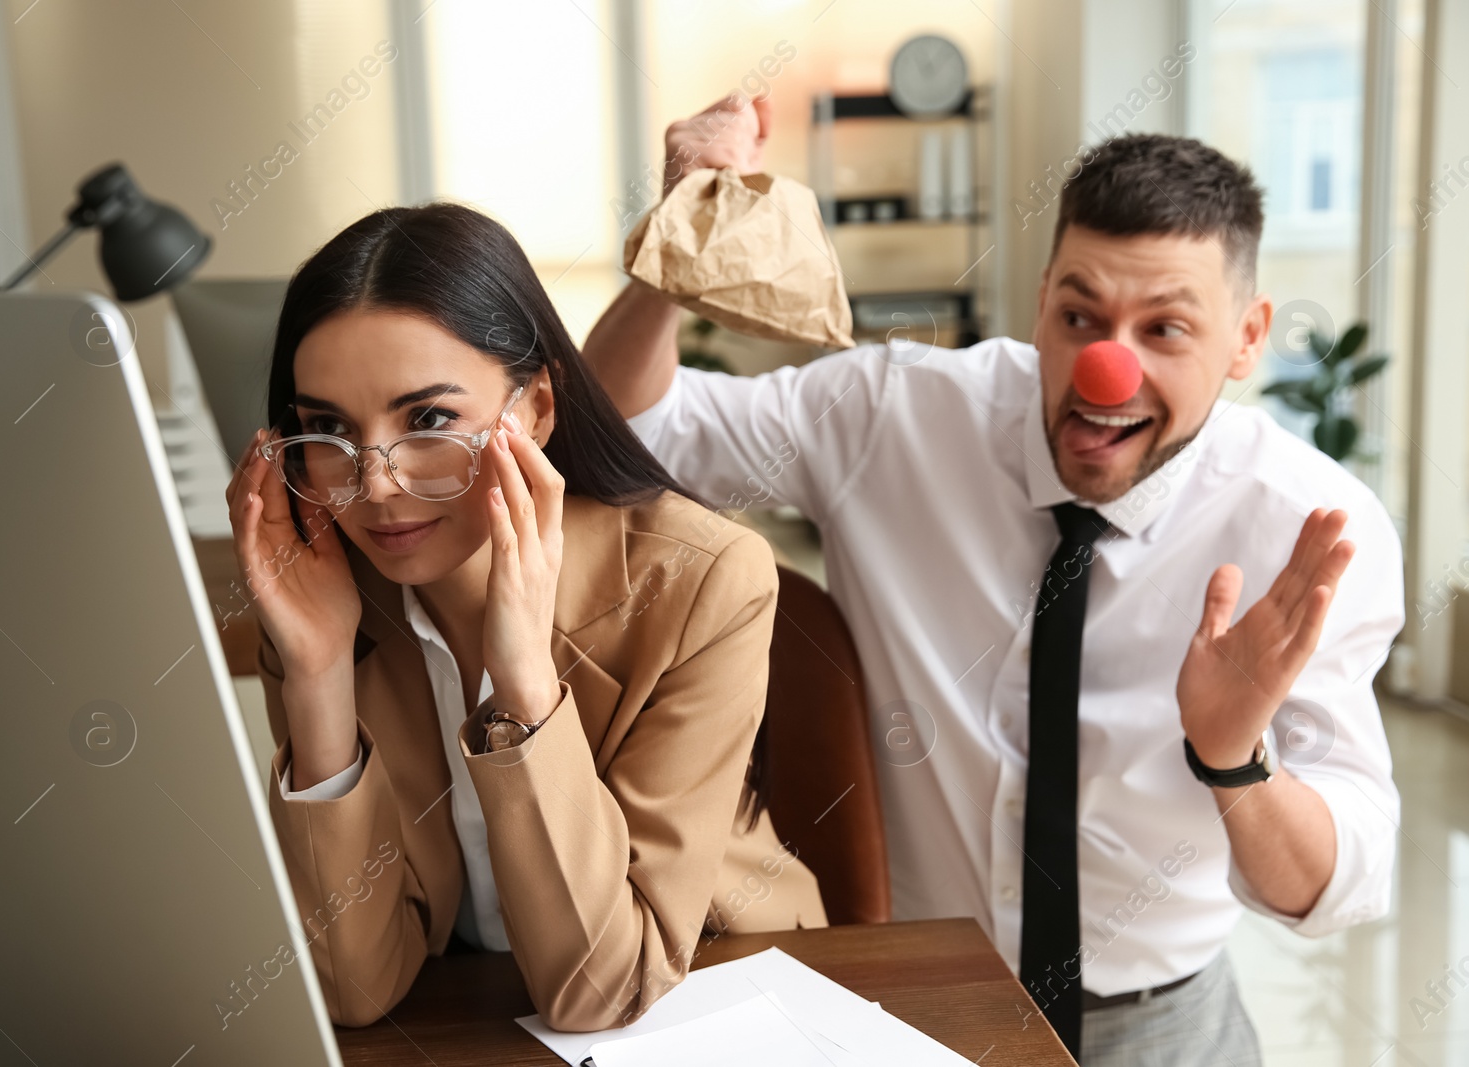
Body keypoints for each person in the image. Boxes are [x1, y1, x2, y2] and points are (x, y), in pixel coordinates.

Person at [581, 95, 1402, 1065]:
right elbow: (625, 438)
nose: (1108, 368)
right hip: (921, 1001)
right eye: (1079, 314)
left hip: (1163, 1025)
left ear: (1247, 336)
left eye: (1165, 329)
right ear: (1041, 297)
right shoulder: (890, 415)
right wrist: (681, 239)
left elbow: (1333, 885)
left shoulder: (1306, 528)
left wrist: (1232, 760)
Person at [224, 202, 826, 1031]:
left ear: (536, 408)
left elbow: (602, 992)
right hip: (475, 1023)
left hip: (715, 1007)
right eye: (328, 427)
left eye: (428, 418)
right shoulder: (327, 599)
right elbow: (356, 991)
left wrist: (524, 686)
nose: (376, 485)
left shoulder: (703, 580)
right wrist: (321, 673)